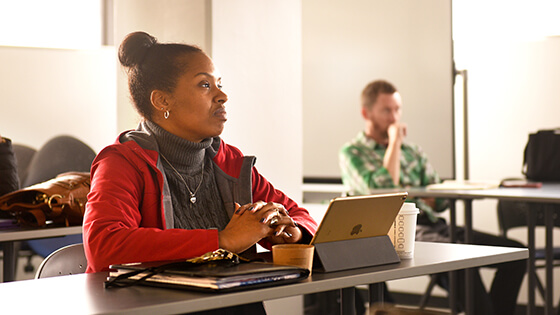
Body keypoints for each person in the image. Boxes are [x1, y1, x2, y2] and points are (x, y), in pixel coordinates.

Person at [83, 32, 317, 314]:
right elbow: (105, 246)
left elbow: (299, 215)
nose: (222, 96)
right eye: (205, 85)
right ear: (162, 101)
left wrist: (293, 232)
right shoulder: (122, 162)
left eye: (219, 84)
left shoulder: (228, 160)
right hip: (157, 308)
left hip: (233, 306)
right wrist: (222, 240)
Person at [339, 80, 525, 315]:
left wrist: (418, 193)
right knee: (459, 259)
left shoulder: (413, 151)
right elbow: (384, 191)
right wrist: (394, 143)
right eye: (387, 110)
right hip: (397, 230)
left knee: (515, 255)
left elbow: (440, 199)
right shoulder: (353, 152)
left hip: (433, 224)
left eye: (398, 109)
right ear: (366, 113)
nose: (394, 117)